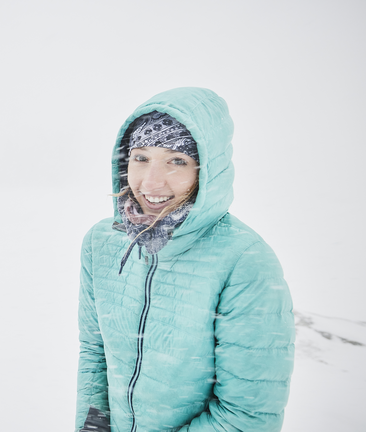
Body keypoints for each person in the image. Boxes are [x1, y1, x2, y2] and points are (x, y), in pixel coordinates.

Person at [75, 87, 294, 432]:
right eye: (141, 157)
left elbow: (247, 417)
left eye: (177, 161)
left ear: (206, 169)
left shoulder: (244, 260)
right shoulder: (101, 243)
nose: (151, 182)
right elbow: (95, 352)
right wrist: (93, 426)